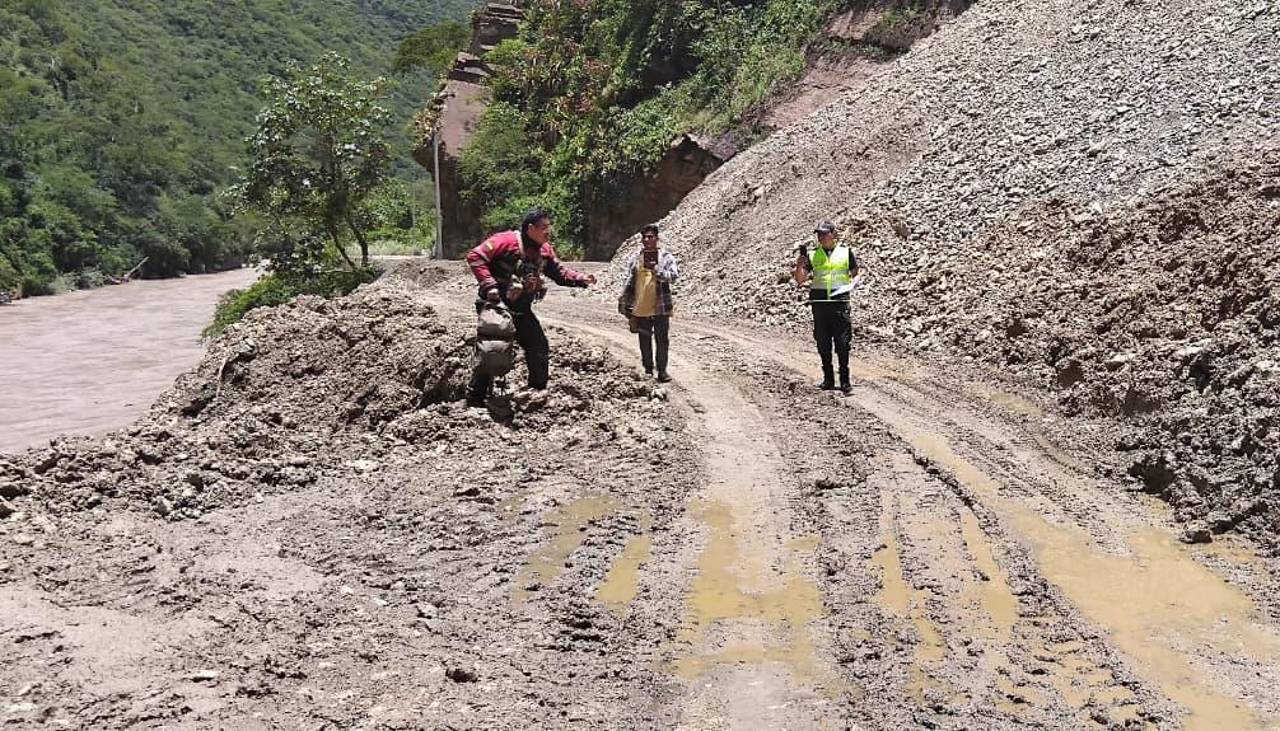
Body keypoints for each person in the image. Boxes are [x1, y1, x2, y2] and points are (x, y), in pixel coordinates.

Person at [465, 208, 597, 406]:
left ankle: (537, 393)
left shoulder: (545, 250)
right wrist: (489, 285)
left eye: (549, 227)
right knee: (492, 350)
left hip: (521, 310)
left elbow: (560, 273)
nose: (548, 231)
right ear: (530, 228)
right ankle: (475, 401)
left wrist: (581, 279)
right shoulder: (506, 240)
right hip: (496, 308)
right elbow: (475, 257)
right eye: (543, 227)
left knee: (538, 346)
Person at [793, 221, 860, 394]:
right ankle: (828, 379)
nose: (821, 237)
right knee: (823, 343)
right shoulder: (813, 255)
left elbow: (855, 274)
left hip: (840, 304)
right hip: (820, 305)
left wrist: (851, 285)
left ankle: (845, 380)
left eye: (824, 233)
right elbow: (800, 280)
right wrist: (800, 265)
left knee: (843, 343)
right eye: (819, 234)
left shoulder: (846, 253)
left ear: (833, 234)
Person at [618, 224, 679, 381]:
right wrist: (625, 302)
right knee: (644, 340)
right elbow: (628, 280)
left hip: (660, 307)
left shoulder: (666, 257)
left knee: (662, 340)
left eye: (650, 237)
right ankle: (648, 370)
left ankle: (662, 371)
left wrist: (657, 270)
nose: (647, 240)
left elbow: (673, 276)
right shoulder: (635, 257)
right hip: (641, 307)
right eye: (644, 237)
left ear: (657, 239)